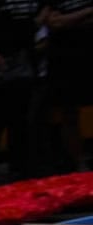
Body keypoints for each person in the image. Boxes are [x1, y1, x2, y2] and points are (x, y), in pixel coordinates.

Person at [0, 0, 44, 182]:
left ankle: (21, 167)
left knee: (22, 118)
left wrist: (37, 24)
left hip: (24, 58)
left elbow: (46, 8)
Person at [44, 0, 93, 173]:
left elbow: (61, 22)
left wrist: (68, 20)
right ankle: (80, 165)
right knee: (69, 113)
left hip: (88, 52)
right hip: (65, 59)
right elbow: (54, 22)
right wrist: (88, 12)